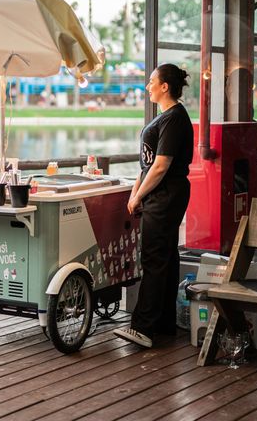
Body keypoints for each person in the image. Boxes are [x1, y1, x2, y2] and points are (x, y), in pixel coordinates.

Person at [114, 63, 193, 348]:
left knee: (154, 258)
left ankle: (143, 327)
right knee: (167, 258)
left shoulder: (174, 118)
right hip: (158, 194)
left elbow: (161, 166)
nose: (147, 86)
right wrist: (135, 192)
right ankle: (163, 324)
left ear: (164, 87)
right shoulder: (167, 117)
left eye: (151, 82)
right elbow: (147, 166)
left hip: (166, 194)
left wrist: (137, 197)